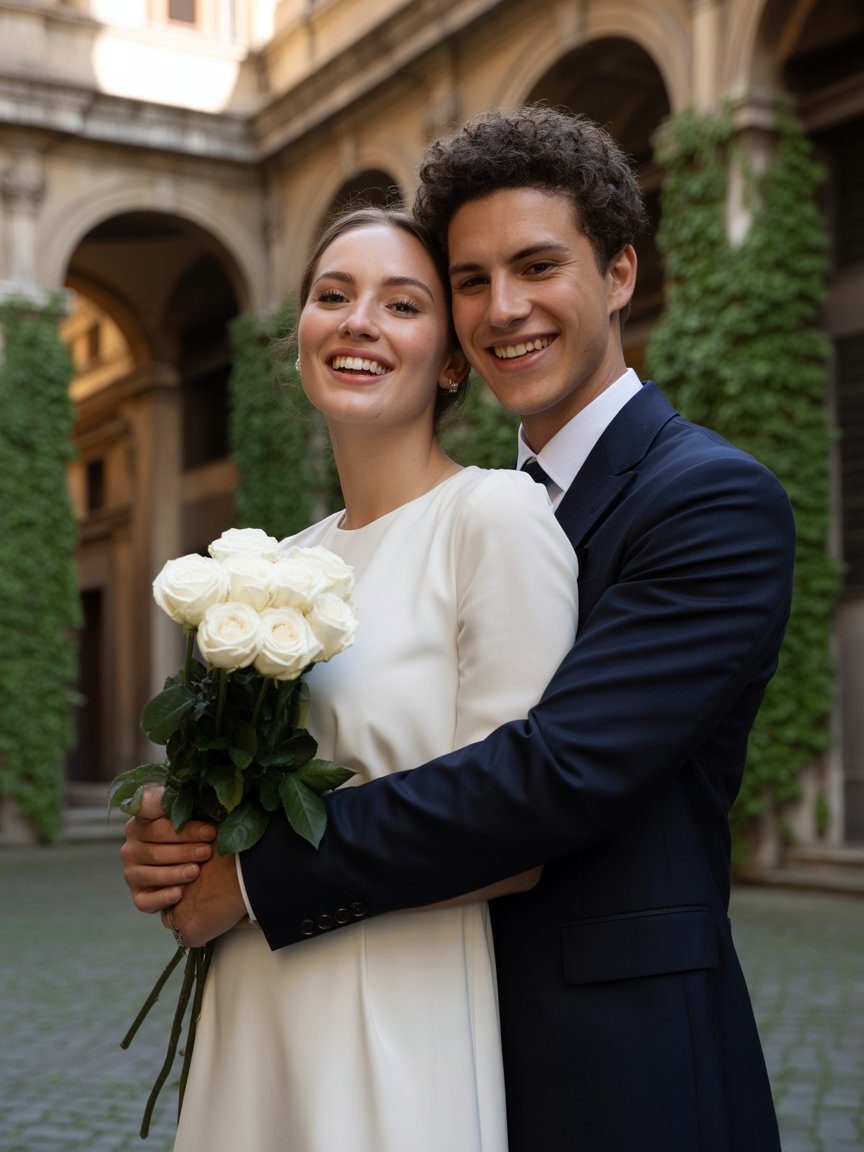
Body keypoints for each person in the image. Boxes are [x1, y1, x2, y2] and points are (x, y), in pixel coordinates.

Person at [123, 107, 794, 1151]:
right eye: (472, 280)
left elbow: (551, 773)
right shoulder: (452, 510)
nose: (504, 309)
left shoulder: (707, 498)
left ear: (620, 273)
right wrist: (187, 829)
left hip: (615, 1056)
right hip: (407, 1011)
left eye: (536, 267)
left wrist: (253, 878)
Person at [158, 205, 580, 1152]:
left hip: (394, 1006)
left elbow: (520, 826)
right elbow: (241, 793)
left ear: (452, 359)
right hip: (250, 997)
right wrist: (175, 832)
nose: (358, 322)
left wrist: (252, 884)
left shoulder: (495, 516)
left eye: (402, 303)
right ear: (299, 335)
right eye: (333, 296)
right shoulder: (273, 562)